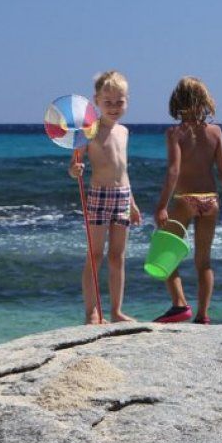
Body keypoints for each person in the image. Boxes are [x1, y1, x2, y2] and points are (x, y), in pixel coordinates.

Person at [152, 77, 222, 325]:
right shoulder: (215, 132)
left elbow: (173, 171)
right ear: (205, 101)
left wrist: (162, 205)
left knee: (165, 252)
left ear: (178, 103)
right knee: (204, 261)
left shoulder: (175, 133)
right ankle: (202, 315)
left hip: (185, 200)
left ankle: (179, 305)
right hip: (211, 201)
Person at [69, 70, 142, 324]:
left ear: (127, 101)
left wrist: (132, 204)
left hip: (122, 197)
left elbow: (124, 170)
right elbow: (74, 164)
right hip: (98, 195)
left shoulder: (124, 132)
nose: (113, 107)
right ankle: (91, 312)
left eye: (119, 102)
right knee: (95, 254)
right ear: (96, 101)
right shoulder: (89, 131)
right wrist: (75, 170)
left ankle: (116, 311)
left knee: (118, 255)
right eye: (107, 102)